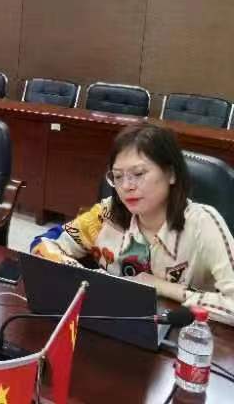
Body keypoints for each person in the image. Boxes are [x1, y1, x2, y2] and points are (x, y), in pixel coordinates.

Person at [31, 123, 234, 325]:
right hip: (114, 323)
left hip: (184, 332)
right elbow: (44, 243)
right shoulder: (107, 213)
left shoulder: (203, 224)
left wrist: (164, 287)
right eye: (118, 176)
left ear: (171, 174)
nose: (126, 186)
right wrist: (88, 278)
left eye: (138, 174)